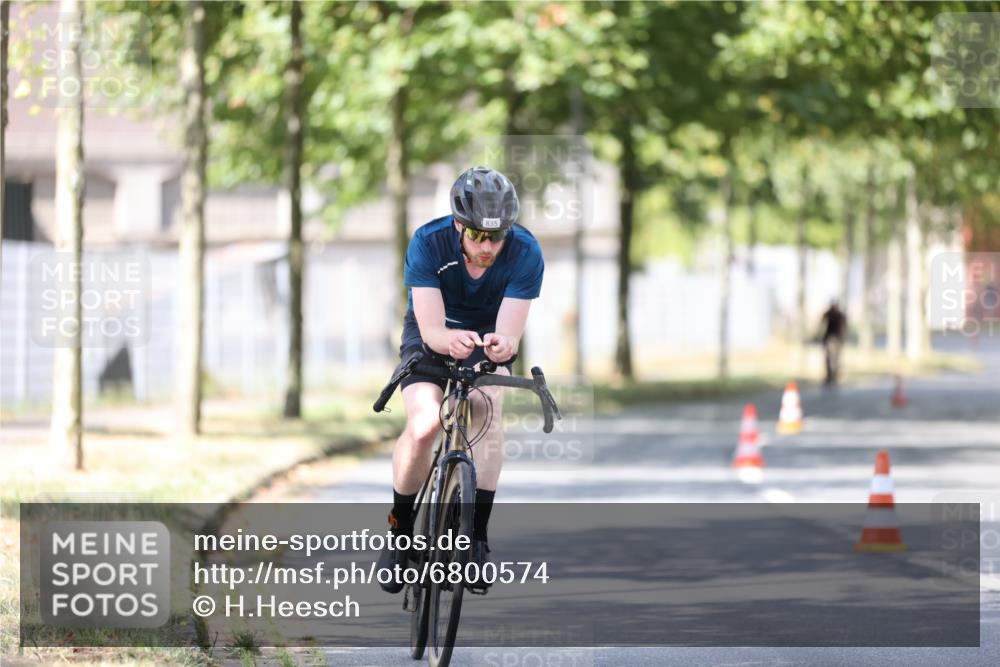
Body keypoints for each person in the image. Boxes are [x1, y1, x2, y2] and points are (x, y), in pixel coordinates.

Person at [377, 166, 545, 593]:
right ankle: (400, 533)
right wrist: (448, 339)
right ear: (458, 225)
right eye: (477, 236)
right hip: (433, 333)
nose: (488, 246)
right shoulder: (428, 243)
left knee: (488, 409)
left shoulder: (526, 252)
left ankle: (475, 539)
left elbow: (509, 333)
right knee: (424, 424)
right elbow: (432, 330)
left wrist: (502, 347)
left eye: (497, 236)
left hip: (484, 337)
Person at [819, 300, 848, 387]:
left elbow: (844, 327)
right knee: (829, 359)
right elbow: (822, 321)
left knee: (835, 359)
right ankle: (830, 376)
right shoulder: (830, 314)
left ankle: (833, 377)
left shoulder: (839, 315)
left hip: (835, 339)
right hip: (830, 338)